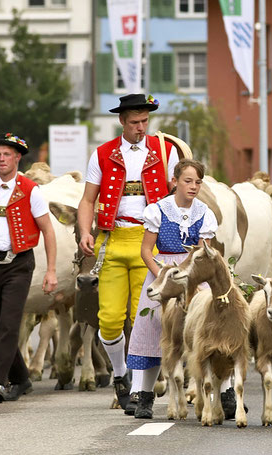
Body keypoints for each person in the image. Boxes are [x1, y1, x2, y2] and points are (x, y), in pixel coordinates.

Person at [77, 94, 179, 411]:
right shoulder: (103, 154)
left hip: (151, 242)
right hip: (112, 239)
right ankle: (120, 374)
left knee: (144, 318)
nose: (140, 127)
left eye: (145, 121)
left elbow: (180, 198)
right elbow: (87, 200)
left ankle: (138, 389)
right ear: (122, 121)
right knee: (108, 320)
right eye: (134, 122)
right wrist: (84, 232)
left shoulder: (165, 152)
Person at [126, 159, 217, 419]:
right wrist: (164, 277)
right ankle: (145, 396)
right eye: (188, 181)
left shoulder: (204, 213)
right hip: (162, 271)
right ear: (174, 182)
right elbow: (146, 251)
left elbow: (202, 252)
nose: (193, 186)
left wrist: (189, 280)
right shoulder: (158, 210)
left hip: (193, 274)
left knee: (206, 325)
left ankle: (221, 393)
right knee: (154, 325)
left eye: (198, 182)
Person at [0, 132, 58, 402]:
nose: (1, 159)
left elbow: (48, 230)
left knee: (9, 325)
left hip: (19, 263)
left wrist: (51, 270)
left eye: (6, 155)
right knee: (0, 325)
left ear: (17, 158)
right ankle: (22, 379)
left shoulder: (30, 190)